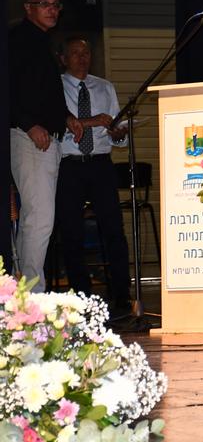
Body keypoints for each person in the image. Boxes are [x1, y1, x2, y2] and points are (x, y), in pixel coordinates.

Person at [8, 0, 84, 291]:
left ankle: (23, 291)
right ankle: (31, 295)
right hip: (29, 137)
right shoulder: (17, 40)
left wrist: (65, 116)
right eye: (44, 4)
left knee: (38, 218)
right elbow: (10, 90)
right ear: (28, 8)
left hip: (47, 138)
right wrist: (29, 125)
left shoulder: (43, 42)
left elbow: (44, 93)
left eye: (55, 5)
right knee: (39, 219)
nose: (52, 10)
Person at [55, 37, 132, 315]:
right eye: (75, 53)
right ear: (63, 58)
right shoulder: (55, 87)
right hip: (69, 165)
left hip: (100, 163)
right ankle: (82, 298)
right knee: (71, 232)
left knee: (113, 230)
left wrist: (119, 134)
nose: (82, 57)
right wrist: (93, 121)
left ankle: (121, 296)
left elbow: (115, 131)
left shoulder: (104, 86)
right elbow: (57, 125)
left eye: (86, 52)